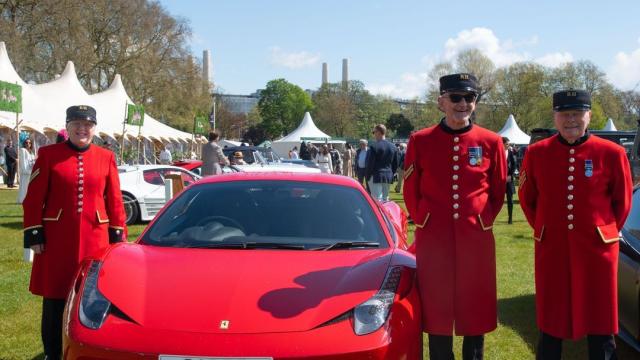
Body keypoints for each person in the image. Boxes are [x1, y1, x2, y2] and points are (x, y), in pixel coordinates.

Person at [518, 90, 632, 359]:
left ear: (589, 115)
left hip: (597, 251)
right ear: (555, 117)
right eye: (564, 114)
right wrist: (547, 229)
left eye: (577, 114)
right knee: (551, 315)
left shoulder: (612, 153)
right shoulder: (537, 153)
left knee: (600, 318)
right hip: (553, 248)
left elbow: (622, 202)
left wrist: (603, 230)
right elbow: (527, 199)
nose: (571, 120)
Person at [403, 73, 507, 359]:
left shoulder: (491, 141)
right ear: (441, 102)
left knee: (474, 305)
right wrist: (422, 219)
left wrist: (484, 219)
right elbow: (411, 187)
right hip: (434, 237)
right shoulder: (420, 140)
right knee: (437, 307)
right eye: (456, 98)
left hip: (475, 238)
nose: (463, 104)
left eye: (469, 98)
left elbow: (498, 189)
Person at [22, 105, 126, 360]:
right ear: (67, 127)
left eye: (87, 125)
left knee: (92, 297)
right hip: (57, 241)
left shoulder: (106, 157)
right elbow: (34, 199)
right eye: (77, 124)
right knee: (55, 299)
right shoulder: (48, 155)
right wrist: (35, 234)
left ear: (94, 128)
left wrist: (117, 235)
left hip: (96, 238)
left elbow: (114, 200)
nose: (82, 129)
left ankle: (92, 349)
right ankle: (52, 352)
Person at [365, 124, 398, 201]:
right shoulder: (393, 147)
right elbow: (395, 164)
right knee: (385, 199)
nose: (374, 135)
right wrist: (390, 173)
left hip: (375, 175)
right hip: (387, 175)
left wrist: (367, 176)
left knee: (376, 200)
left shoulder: (374, 146)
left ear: (379, 132)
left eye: (374, 132)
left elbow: (370, 164)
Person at [503, 137, 517, 224]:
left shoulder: (511, 153)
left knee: (510, 200)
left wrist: (510, 175)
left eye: (509, 144)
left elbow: (514, 165)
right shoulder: (498, 152)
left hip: (509, 179)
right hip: (499, 180)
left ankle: (510, 218)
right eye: (507, 144)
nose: (509, 146)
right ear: (502, 144)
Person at [17, 137, 36, 203]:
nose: (28, 144)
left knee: (30, 187)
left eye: (29, 143)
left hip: (31, 171)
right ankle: (23, 199)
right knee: (24, 187)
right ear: (24, 144)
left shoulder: (32, 152)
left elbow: (32, 161)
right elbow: (23, 162)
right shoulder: (23, 150)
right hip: (26, 172)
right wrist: (26, 171)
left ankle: (29, 199)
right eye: (26, 142)